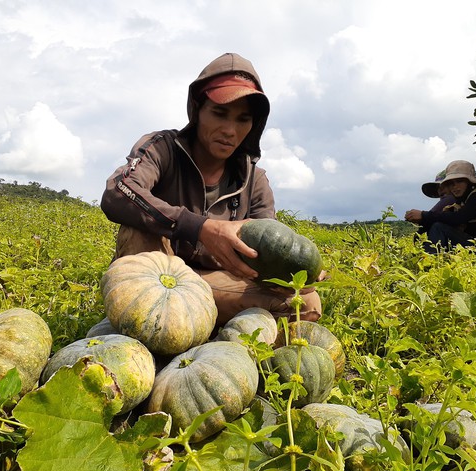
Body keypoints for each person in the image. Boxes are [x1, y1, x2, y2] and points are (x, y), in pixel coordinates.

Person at [100, 52, 322, 325]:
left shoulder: (254, 180)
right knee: (137, 228)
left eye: (243, 119)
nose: (230, 130)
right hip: (154, 279)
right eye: (219, 113)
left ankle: (199, 331)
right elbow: (119, 191)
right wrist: (202, 228)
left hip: (213, 285)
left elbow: (266, 250)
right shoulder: (163, 148)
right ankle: (158, 327)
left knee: (305, 304)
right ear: (197, 109)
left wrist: (295, 273)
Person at [404, 160, 476, 253]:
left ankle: (430, 263)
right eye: (450, 184)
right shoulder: (462, 201)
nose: (455, 187)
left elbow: (460, 218)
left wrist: (423, 215)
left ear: (469, 181)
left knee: (439, 228)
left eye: (459, 181)